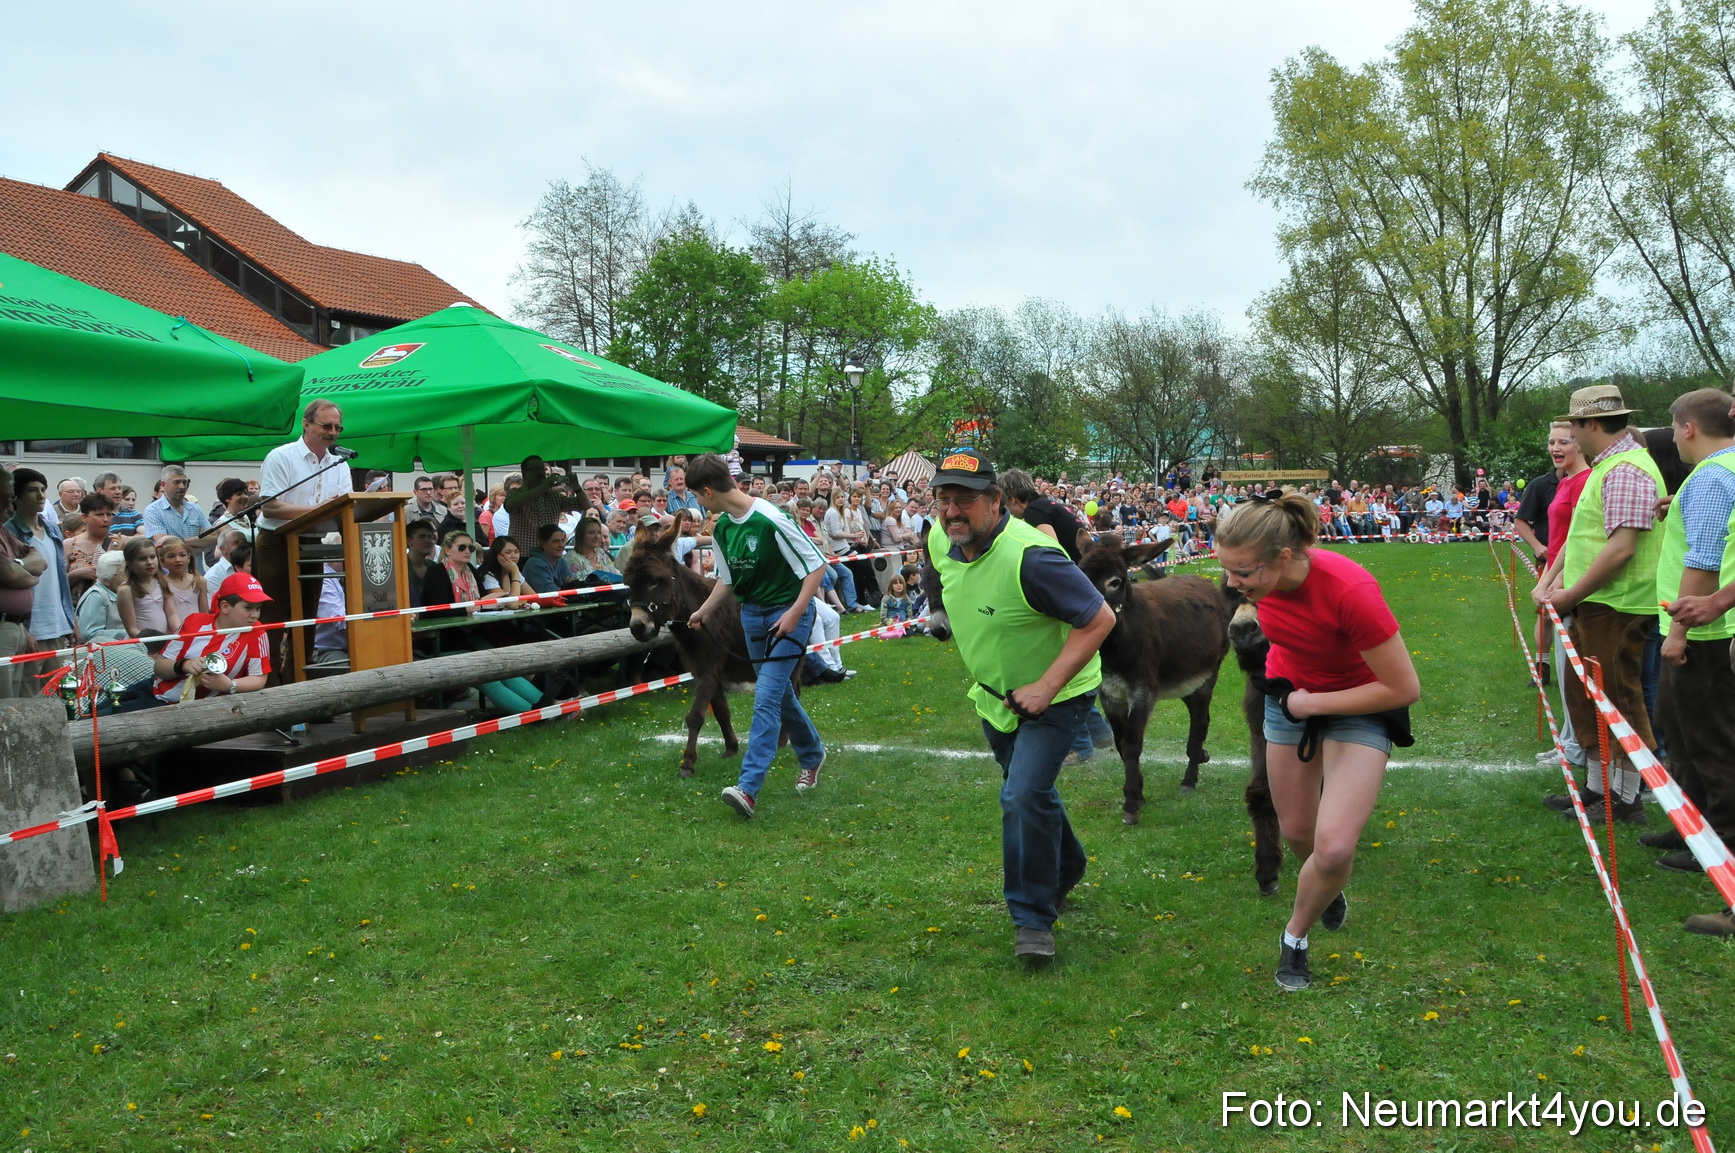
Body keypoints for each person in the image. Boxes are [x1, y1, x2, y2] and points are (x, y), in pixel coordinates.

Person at [1215, 492, 1420, 991]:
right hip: (1289, 698)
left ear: (1283, 558)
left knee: (1331, 851)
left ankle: (1295, 940)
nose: (1231, 584)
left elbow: (1403, 687)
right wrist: (1296, 699)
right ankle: (1329, 891)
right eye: (1226, 570)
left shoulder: (1351, 590)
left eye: (1243, 572)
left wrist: (1315, 704)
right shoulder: (1258, 591)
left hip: (1360, 704)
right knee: (1298, 834)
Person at [924, 449, 1115, 960]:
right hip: (994, 698)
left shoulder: (1033, 556)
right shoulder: (941, 536)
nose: (951, 512)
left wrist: (1047, 688)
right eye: (944, 499)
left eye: (965, 500)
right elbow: (935, 569)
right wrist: (938, 610)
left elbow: (1099, 620)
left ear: (996, 501)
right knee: (1030, 793)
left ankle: (1032, 919)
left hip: (1058, 697)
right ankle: (1068, 866)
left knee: (1021, 795)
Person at [1545, 385, 1665, 825]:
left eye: (1574, 425)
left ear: (1589, 425)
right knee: (1587, 699)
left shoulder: (1626, 469)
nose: (1572, 434)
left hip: (1618, 606)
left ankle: (1627, 797)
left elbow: (1621, 550)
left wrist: (1570, 594)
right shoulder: (1611, 465)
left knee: (1620, 700)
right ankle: (1598, 789)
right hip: (1597, 605)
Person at [686, 451, 830, 817]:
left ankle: (747, 789)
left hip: (789, 610)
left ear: (707, 492)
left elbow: (816, 566)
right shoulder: (722, 528)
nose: (698, 505)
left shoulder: (770, 517)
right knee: (780, 694)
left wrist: (795, 614)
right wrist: (703, 610)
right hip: (752, 615)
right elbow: (728, 578)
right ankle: (813, 755)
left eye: (697, 498)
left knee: (765, 697)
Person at [1649, 390, 1735, 938]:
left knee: (1714, 749)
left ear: (1685, 429)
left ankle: (1723, 862)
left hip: (1705, 635)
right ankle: (1696, 835)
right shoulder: (1716, 473)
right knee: (1680, 733)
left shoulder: (1710, 477)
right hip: (1714, 630)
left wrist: (1680, 630)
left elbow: (1701, 560)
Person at [150, 573, 273, 704]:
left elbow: (259, 678)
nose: (255, 615)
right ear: (225, 607)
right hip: (156, 694)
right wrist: (184, 665)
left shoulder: (257, 631)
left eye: (258, 608)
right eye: (248, 607)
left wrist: (230, 685)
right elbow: (159, 666)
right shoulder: (194, 622)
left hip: (200, 708)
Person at [258, 399, 355, 530]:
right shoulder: (281, 456)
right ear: (306, 425)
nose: (332, 432)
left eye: (337, 428)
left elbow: (347, 506)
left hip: (319, 538)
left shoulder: (339, 463)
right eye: (326, 426)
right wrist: (316, 510)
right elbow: (270, 507)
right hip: (278, 539)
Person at [7, 468, 76, 650]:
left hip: (58, 625)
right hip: (30, 628)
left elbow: (61, 578)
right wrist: (23, 630)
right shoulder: (9, 532)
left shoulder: (52, 529)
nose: (40, 495)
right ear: (17, 495)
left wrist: (71, 619)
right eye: (32, 490)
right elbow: (9, 584)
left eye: (43, 490)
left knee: (58, 679)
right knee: (29, 679)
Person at [0, 468, 46, 698]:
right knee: (5, 705)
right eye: (5, 498)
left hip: (17, 627)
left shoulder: (3, 533)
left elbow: (40, 561)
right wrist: (23, 571)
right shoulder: (9, 529)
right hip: (3, 629)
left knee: (16, 704)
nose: (9, 507)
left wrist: (17, 564)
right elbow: (12, 576)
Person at [140, 465, 210, 564]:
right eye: (177, 482)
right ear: (163, 485)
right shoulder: (153, 510)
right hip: (168, 575)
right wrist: (198, 544)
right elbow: (163, 543)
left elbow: (214, 536)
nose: (182, 486)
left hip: (196, 573)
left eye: (184, 482)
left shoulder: (195, 508)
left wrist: (178, 544)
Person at [116, 535, 178, 639]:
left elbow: (172, 614)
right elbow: (132, 629)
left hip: (164, 641)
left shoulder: (162, 582)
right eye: (142, 559)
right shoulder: (126, 590)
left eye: (152, 557)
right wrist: (152, 643)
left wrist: (178, 632)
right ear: (130, 564)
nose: (149, 562)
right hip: (142, 644)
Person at [65, 492, 117, 601]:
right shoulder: (69, 545)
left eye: (109, 514)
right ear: (84, 517)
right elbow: (56, 583)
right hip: (76, 610)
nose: (106, 519)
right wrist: (76, 574)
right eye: (99, 514)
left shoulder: (119, 542)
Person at [157, 536, 208, 623]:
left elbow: (205, 613)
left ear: (188, 558)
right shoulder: (162, 584)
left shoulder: (199, 581)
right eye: (171, 556)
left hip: (197, 632)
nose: (177, 560)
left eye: (182, 555)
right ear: (162, 561)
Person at [478, 536, 531, 601]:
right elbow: (512, 604)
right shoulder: (488, 576)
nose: (514, 556)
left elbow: (533, 597)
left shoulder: (513, 570)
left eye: (517, 552)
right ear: (497, 555)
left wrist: (521, 601)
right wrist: (515, 572)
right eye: (508, 552)